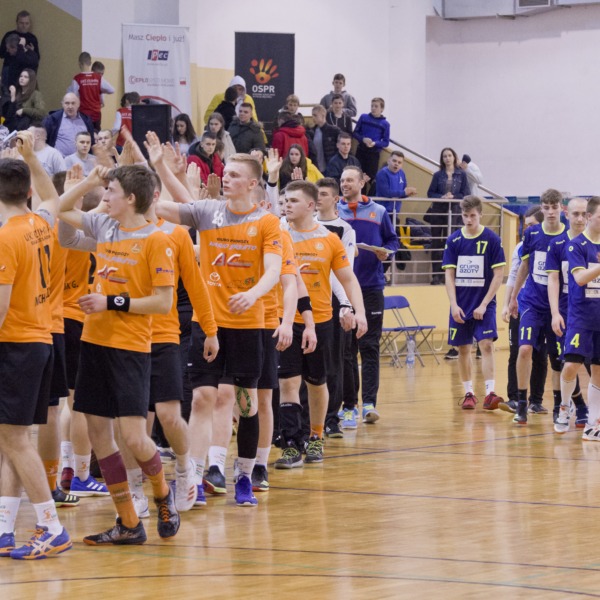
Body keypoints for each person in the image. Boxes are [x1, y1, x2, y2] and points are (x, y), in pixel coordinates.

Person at [152, 142, 283, 507]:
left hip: (249, 324)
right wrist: (159, 167)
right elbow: (161, 206)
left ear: (253, 184)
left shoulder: (266, 222)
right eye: (226, 173)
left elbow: (274, 270)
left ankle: (244, 475)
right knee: (201, 397)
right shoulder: (209, 212)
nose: (226, 179)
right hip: (208, 322)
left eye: (235, 175)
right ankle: (194, 478)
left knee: (246, 402)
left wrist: (253, 294)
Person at [58, 164, 180, 545]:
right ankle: (128, 522)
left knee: (134, 438)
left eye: (110, 191)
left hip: (130, 347)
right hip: (94, 342)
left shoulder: (156, 240)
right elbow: (60, 212)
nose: (105, 197)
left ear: (130, 198)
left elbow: (163, 302)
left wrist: (111, 302)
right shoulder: (106, 226)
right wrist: (88, 183)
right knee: (99, 434)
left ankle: (162, 494)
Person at [0, 131, 71, 559]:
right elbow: (52, 196)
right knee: (10, 438)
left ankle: (51, 526)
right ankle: (4, 527)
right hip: (41, 340)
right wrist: (31, 158)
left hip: (17, 345)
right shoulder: (40, 222)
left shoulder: (6, 237)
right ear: (25, 190)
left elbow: (1, 307)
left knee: (15, 440)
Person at [276, 180, 367, 467]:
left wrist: (359, 312)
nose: (287, 205)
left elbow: (348, 279)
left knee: (316, 383)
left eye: (293, 201)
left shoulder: (329, 239)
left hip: (321, 321)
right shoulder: (278, 235)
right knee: (288, 383)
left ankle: (316, 437)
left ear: (310, 205)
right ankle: (291, 443)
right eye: (285, 201)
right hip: (285, 319)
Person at [337, 166, 399, 426]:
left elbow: (393, 241)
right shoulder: (334, 212)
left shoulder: (379, 211)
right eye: (342, 180)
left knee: (369, 347)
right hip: (341, 290)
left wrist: (386, 252)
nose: (345, 184)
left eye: (350, 180)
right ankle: (349, 405)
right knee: (346, 350)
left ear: (362, 182)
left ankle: (369, 404)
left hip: (371, 287)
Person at [506, 189, 566, 425]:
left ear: (561, 208)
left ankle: (558, 405)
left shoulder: (568, 236)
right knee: (524, 349)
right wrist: (513, 297)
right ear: (541, 208)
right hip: (532, 301)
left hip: (558, 305)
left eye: (554, 207)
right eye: (546, 207)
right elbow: (524, 266)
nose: (550, 212)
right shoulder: (531, 233)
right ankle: (522, 402)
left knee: (556, 358)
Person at [442, 196, 506, 410]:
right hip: (461, 304)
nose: (468, 220)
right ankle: (468, 393)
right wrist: (453, 304)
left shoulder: (492, 239)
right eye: (465, 216)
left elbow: (499, 275)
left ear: (480, 215)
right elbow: (449, 275)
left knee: (486, 344)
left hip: (484, 304)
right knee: (463, 348)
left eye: (472, 216)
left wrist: (484, 304)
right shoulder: (454, 240)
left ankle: (490, 393)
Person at [315, 177, 357, 437]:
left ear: (335, 199)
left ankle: (332, 418)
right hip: (306, 298)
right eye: (315, 194)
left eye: (323, 194)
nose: (318, 198)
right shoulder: (302, 225)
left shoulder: (344, 230)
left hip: (334, 300)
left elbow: (345, 271)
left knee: (335, 361)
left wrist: (346, 304)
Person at [547, 197, 589, 432]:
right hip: (566, 311)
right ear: (567, 214)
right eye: (576, 214)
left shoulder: (595, 243)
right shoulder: (557, 244)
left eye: (584, 214)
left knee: (594, 365)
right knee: (569, 362)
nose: (580, 219)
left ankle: (590, 412)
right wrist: (555, 313)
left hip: (592, 310)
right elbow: (553, 280)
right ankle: (571, 406)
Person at [500, 206, 548, 412]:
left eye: (532, 225)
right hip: (520, 306)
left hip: (542, 306)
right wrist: (506, 303)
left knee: (541, 355)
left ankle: (536, 401)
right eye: (525, 225)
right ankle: (514, 398)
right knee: (517, 351)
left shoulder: (552, 243)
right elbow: (512, 276)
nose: (527, 229)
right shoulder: (520, 247)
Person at [560, 196, 600, 441]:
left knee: (598, 370)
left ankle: (593, 424)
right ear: (589, 217)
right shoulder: (576, 245)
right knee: (571, 366)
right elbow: (580, 278)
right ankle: (565, 407)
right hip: (580, 316)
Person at [426, 147, 470, 285]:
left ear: (454, 157)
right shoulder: (437, 175)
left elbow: (466, 193)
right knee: (436, 242)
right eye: (445, 156)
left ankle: (450, 274)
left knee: (451, 242)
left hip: (455, 212)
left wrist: (453, 197)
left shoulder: (461, 174)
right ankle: (436, 275)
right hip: (438, 211)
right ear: (442, 159)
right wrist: (442, 197)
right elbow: (430, 193)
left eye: (449, 155)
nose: (447, 158)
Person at [67, 52, 114, 132]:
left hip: (83, 115)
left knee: (84, 136)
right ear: (90, 63)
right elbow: (112, 90)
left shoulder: (77, 79)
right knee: (96, 136)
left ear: (79, 63)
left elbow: (74, 98)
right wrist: (100, 91)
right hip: (96, 115)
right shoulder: (98, 78)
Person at [353, 98, 390, 192]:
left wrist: (375, 143)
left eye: (376, 106)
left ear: (382, 109)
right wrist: (363, 139)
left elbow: (386, 142)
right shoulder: (363, 117)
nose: (373, 108)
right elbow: (355, 133)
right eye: (372, 106)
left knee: (371, 178)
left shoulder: (385, 124)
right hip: (361, 150)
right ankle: (359, 197)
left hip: (373, 154)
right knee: (359, 175)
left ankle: (369, 198)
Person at [43, 92, 95, 157]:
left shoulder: (86, 120)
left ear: (78, 104)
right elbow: (43, 141)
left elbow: (92, 142)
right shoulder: (53, 119)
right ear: (62, 104)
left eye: (73, 103)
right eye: (67, 103)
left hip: (82, 161)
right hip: (60, 161)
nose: (70, 106)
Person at [374, 151, 417, 216]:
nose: (396, 164)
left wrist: (408, 193)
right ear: (388, 161)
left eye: (399, 162)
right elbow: (386, 193)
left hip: (395, 211)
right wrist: (404, 192)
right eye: (394, 161)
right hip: (382, 211)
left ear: (402, 164)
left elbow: (402, 192)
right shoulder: (382, 173)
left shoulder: (402, 173)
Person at [308, 105, 340, 174]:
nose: (313, 117)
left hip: (330, 168)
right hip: (315, 168)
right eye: (312, 115)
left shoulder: (334, 131)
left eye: (315, 115)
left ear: (323, 116)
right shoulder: (311, 132)